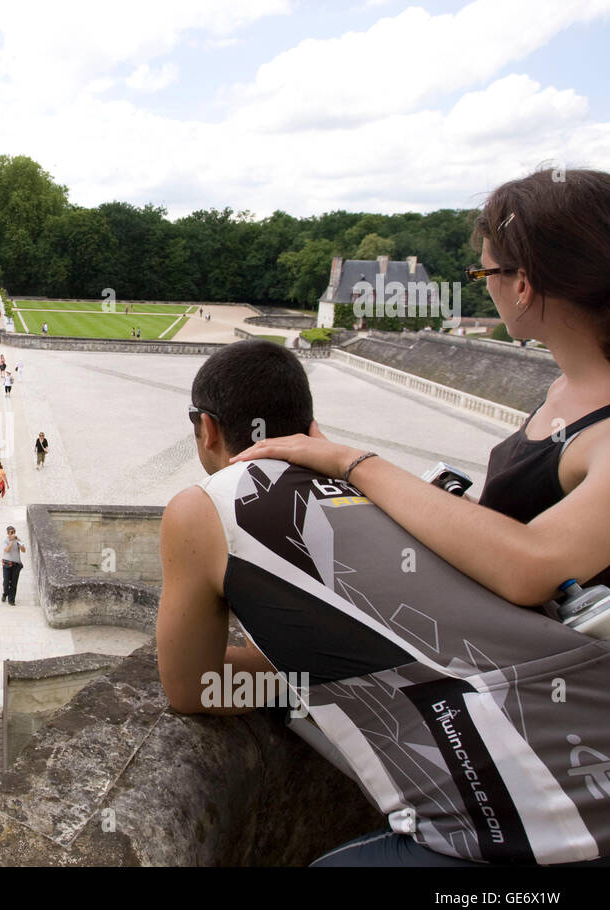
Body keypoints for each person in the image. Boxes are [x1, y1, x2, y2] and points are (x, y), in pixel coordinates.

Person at [158, 338, 610, 866]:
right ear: (308, 424)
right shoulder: (386, 485)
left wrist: (290, 675)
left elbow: (192, 687)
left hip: (541, 830)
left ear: (207, 429)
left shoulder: (204, 506)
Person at [233, 170, 610, 605]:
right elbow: (515, 529)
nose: (483, 283)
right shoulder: (565, 387)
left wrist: (353, 462)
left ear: (522, 285)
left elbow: (535, 565)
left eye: (482, 271)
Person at [0, 525, 26, 605]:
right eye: (11, 532)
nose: (13, 533)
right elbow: (7, 550)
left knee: (14, 583)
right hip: (7, 564)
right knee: (6, 582)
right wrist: (12, 541)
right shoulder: (5, 541)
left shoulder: (18, 540)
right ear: (8, 533)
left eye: (14, 532)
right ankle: (5, 593)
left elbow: (24, 550)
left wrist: (20, 543)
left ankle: (11, 600)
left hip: (16, 565)